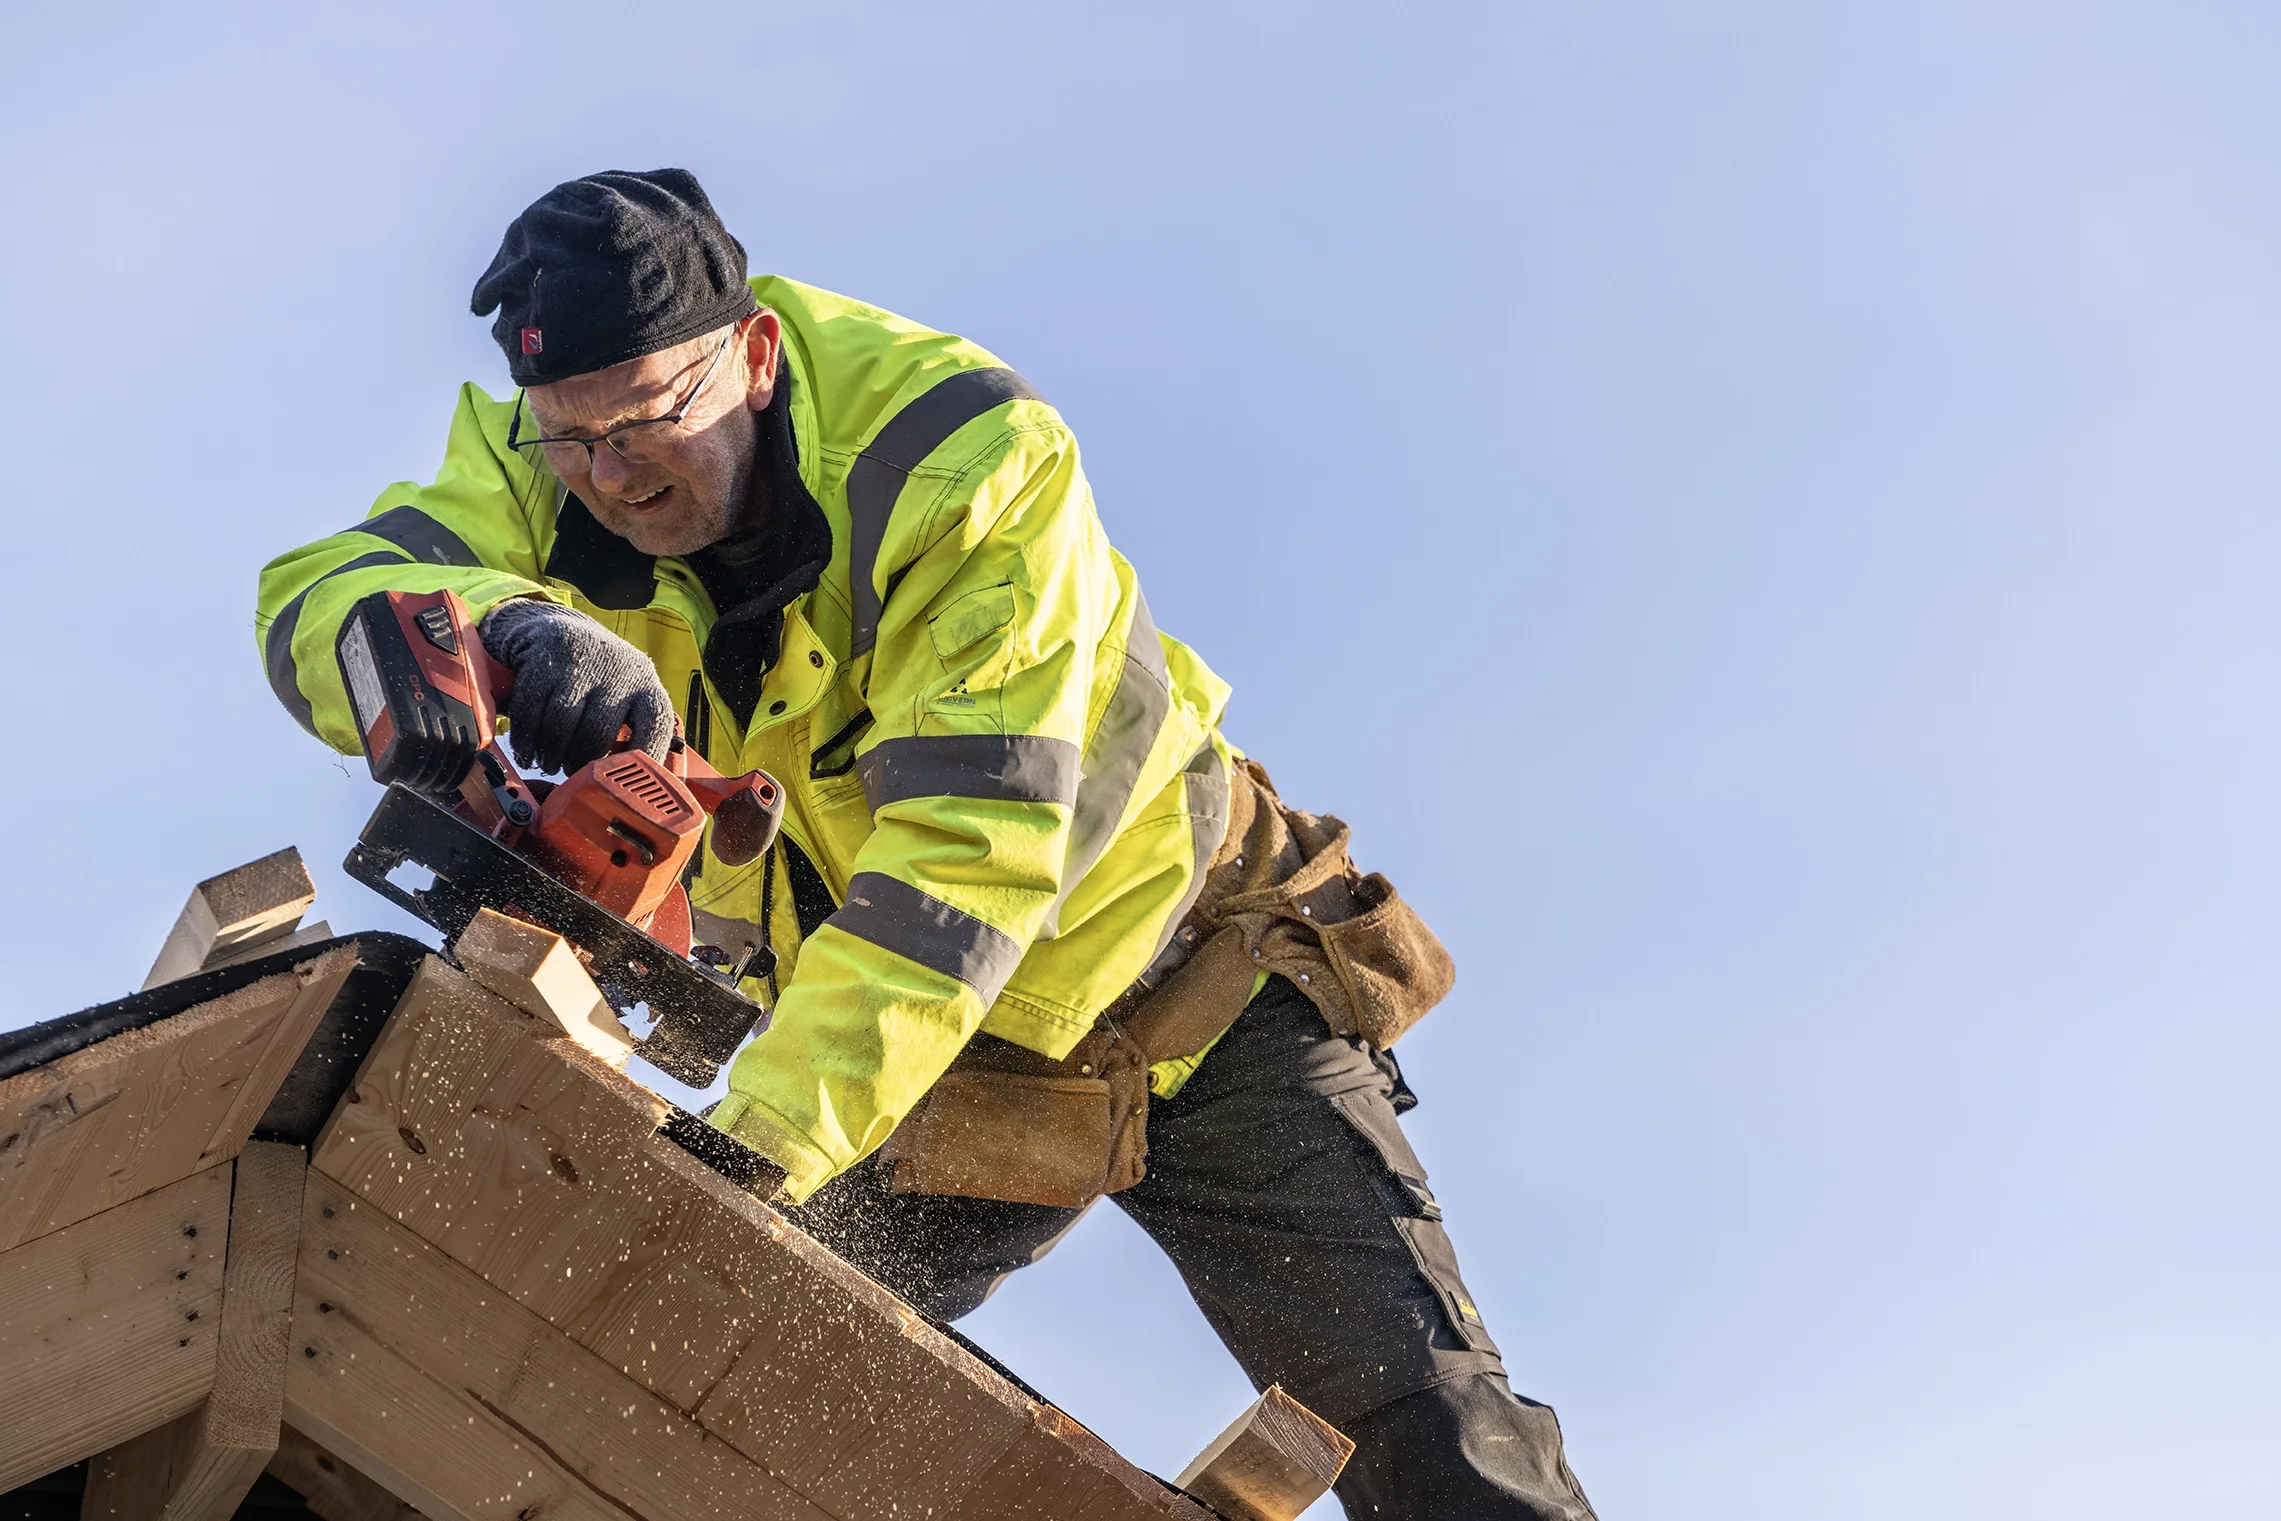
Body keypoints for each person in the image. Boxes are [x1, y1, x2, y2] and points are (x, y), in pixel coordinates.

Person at [257, 168, 1596, 1519]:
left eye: (648, 423)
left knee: (1426, 1430)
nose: (611, 477)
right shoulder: (538, 465)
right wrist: (486, 621)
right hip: (912, 1055)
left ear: (757, 355)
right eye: (571, 439)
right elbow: (322, 588)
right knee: (689, 1392)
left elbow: (965, 865)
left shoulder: (961, 459)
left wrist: (761, 1149)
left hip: (1188, 988)